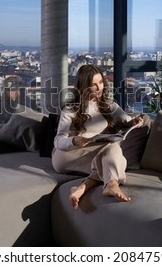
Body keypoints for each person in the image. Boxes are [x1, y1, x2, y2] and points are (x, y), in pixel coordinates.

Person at [52, 65, 143, 209]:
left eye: (100, 82)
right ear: (84, 86)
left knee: (110, 154)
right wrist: (75, 140)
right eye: (93, 85)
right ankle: (111, 183)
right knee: (117, 157)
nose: (99, 87)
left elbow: (127, 120)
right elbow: (57, 141)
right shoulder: (70, 109)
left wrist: (135, 121)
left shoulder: (109, 105)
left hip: (93, 155)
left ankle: (82, 188)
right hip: (67, 155)